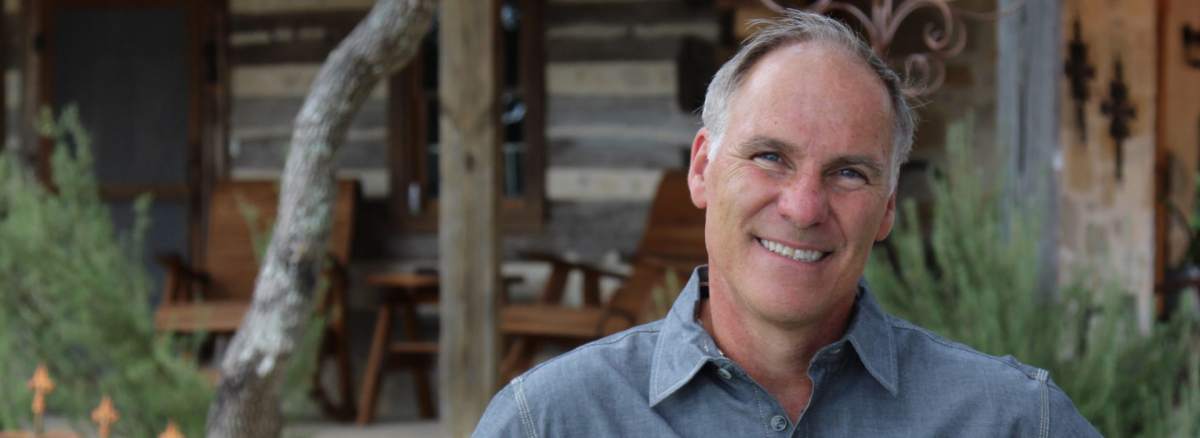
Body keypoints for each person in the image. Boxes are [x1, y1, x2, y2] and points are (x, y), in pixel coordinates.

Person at [475, 10, 1099, 437]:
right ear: (702, 168)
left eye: (849, 172)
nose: (803, 208)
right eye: (770, 157)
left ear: (887, 207)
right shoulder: (550, 422)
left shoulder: (1012, 421)